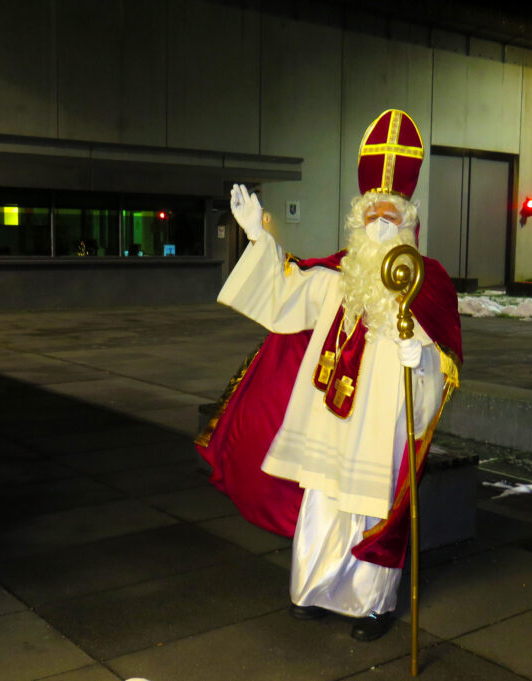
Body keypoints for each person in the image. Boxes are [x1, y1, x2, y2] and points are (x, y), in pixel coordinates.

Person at [196, 109, 462, 642]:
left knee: (369, 506)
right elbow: (287, 295)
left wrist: (420, 357)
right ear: (357, 220)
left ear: (409, 219)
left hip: (382, 416)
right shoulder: (339, 274)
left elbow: (444, 358)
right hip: (327, 413)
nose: (380, 223)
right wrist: (257, 240)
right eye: (372, 214)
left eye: (391, 214)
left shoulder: (427, 281)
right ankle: (313, 590)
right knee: (321, 497)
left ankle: (371, 606)